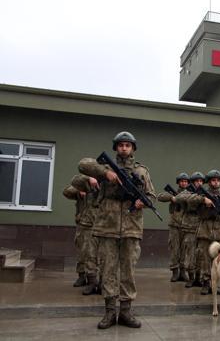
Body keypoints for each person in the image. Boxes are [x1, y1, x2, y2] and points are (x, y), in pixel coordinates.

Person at [78, 131, 155, 329]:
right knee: (108, 269)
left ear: (133, 148)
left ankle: (126, 312)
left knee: (128, 270)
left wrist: (141, 203)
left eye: (128, 145)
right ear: (116, 148)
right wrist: (106, 174)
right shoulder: (104, 167)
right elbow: (82, 164)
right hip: (107, 226)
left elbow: (151, 196)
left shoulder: (142, 171)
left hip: (131, 227)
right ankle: (110, 312)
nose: (124, 148)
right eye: (120, 145)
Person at [195, 169, 220, 295]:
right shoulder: (201, 196)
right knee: (204, 260)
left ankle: (215, 284)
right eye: (213, 180)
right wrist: (204, 202)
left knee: (218, 261)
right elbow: (193, 207)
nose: (215, 183)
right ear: (209, 182)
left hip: (219, 233)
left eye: (217, 180)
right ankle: (206, 283)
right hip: (205, 232)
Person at [62, 175, 99, 295]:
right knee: (80, 252)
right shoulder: (82, 185)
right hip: (81, 225)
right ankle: (81, 276)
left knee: (90, 254)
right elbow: (66, 192)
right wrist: (80, 189)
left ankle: (92, 281)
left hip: (93, 226)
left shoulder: (100, 187)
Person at [174, 171, 206, 288]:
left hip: (202, 228)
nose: (199, 183)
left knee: (200, 255)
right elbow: (179, 198)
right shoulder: (187, 192)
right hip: (189, 227)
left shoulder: (205, 193)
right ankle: (191, 278)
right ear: (192, 182)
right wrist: (200, 199)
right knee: (189, 254)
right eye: (197, 181)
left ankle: (199, 278)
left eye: (201, 181)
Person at [157, 172, 189, 282]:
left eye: (185, 181)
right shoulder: (174, 193)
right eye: (182, 181)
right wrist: (172, 198)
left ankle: (183, 271)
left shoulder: (190, 194)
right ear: (178, 183)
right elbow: (160, 196)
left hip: (186, 226)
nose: (184, 183)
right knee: (174, 248)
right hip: (174, 225)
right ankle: (175, 272)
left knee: (184, 249)